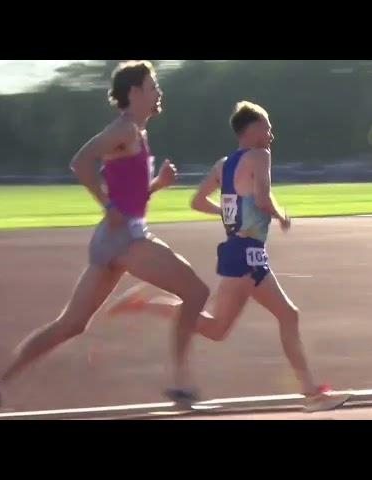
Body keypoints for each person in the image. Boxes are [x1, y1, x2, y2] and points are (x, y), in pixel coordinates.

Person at [108, 100, 351, 413]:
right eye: (267, 126)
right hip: (248, 255)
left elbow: (196, 201)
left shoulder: (224, 165)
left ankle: (144, 305)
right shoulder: (260, 155)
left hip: (238, 252)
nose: (272, 134)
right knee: (288, 315)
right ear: (250, 130)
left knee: (217, 328)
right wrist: (282, 215)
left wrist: (225, 209)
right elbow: (262, 198)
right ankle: (311, 393)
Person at [0, 60, 209, 408]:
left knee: (71, 324)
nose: (159, 91)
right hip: (124, 237)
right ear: (134, 93)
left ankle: (2, 380)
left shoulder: (138, 133)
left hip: (116, 239)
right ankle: (181, 383)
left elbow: (131, 195)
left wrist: (158, 184)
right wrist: (107, 206)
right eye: (152, 85)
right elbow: (81, 161)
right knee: (196, 291)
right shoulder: (123, 129)